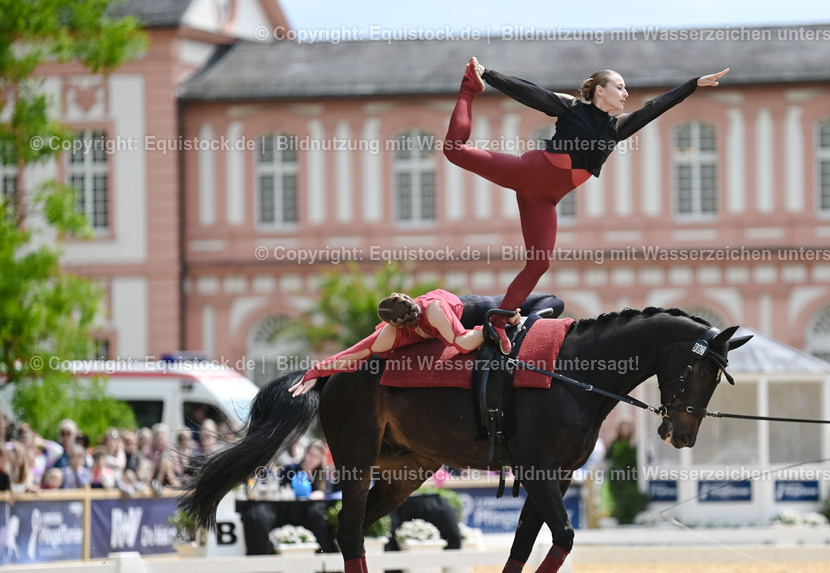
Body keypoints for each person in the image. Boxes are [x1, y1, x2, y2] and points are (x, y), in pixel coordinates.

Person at [443, 58, 728, 353]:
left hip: (543, 200)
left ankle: (498, 324)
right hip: (528, 172)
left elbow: (654, 107)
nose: (625, 93)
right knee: (454, 150)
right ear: (600, 90)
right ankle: (468, 85)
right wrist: (487, 75)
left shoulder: (616, 128)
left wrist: (693, 84)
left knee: (539, 263)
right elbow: (531, 93)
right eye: (619, 87)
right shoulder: (572, 108)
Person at [289, 289, 518, 396]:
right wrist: (316, 371)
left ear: (393, 324)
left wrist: (493, 324)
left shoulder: (433, 310)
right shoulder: (390, 334)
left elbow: (463, 344)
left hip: (472, 308)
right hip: (457, 321)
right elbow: (354, 353)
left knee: (539, 303)